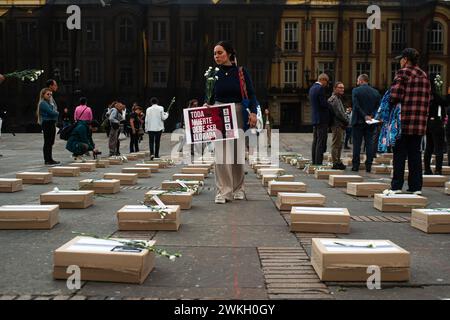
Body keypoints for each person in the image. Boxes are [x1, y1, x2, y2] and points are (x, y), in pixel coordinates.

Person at [207, 40, 257, 204]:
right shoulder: (213, 74)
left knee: (236, 153)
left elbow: (251, 94)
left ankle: (238, 189)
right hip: (218, 112)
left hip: (237, 111)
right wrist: (207, 105)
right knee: (221, 154)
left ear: (228, 53)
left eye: (220, 52)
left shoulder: (241, 72)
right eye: (215, 53)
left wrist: (254, 113)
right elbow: (210, 97)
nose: (217, 56)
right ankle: (223, 191)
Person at [388, 48, 431, 195]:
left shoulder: (403, 73)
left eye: (401, 59)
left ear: (406, 59)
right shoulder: (424, 75)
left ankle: (396, 186)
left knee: (399, 154)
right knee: (415, 154)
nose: (400, 62)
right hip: (419, 123)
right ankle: (416, 187)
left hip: (403, 121)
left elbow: (395, 96)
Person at [351, 74, 381, 172]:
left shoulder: (356, 91)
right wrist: (371, 115)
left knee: (357, 144)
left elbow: (356, 106)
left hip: (358, 121)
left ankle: (355, 166)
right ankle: (368, 165)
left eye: (357, 81)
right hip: (371, 122)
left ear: (361, 81)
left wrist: (364, 116)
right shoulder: (376, 92)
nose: (357, 82)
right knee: (369, 144)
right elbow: (378, 107)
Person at [424, 80, 448, 175]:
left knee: (428, 147)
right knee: (438, 148)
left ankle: (427, 169)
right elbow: (445, 103)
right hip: (436, 123)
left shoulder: (424, 95)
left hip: (427, 123)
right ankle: (438, 169)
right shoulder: (435, 95)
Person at [309, 73, 331, 165]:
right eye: (327, 81)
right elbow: (323, 104)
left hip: (315, 118)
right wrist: (330, 105)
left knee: (315, 140)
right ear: (323, 80)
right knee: (321, 141)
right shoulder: (320, 88)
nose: (327, 84)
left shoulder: (312, 88)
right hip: (322, 118)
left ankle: (314, 161)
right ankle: (318, 162)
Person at [36, 88, 60, 165]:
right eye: (48, 94)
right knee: (48, 142)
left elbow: (53, 112)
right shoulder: (43, 103)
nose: (49, 96)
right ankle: (47, 160)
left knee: (51, 142)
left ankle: (50, 159)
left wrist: (54, 112)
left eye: (50, 94)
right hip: (47, 123)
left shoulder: (49, 103)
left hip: (51, 123)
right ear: (43, 95)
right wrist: (56, 113)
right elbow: (52, 113)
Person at [328, 82, 349, 170]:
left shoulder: (338, 98)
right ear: (335, 88)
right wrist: (346, 120)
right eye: (340, 87)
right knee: (336, 144)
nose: (342, 89)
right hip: (336, 124)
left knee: (340, 144)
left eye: (343, 88)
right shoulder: (334, 99)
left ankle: (338, 161)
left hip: (340, 124)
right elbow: (338, 113)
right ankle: (335, 163)